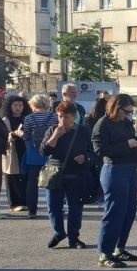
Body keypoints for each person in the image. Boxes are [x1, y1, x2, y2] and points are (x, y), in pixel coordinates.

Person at [92, 94, 137, 268]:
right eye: (127, 111)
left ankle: (119, 248)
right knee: (114, 212)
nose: (129, 115)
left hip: (130, 168)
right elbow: (99, 151)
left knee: (129, 211)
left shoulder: (125, 122)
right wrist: (127, 145)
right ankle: (104, 253)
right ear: (116, 108)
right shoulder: (103, 124)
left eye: (131, 112)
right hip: (114, 170)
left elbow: (130, 140)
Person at [41, 102, 91, 250]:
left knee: (75, 207)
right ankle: (59, 232)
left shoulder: (83, 131)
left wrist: (85, 157)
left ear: (74, 117)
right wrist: (55, 136)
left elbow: (94, 151)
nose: (62, 120)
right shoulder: (52, 130)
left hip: (76, 173)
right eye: (59, 116)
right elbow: (43, 151)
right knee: (53, 206)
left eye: (66, 117)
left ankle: (74, 238)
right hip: (55, 173)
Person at [19, 95, 59, 219]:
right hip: (50, 153)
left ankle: (32, 210)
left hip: (33, 154)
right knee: (52, 181)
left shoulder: (29, 118)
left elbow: (25, 137)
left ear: (33, 105)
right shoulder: (54, 117)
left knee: (32, 183)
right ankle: (55, 207)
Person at [0, 95, 30, 212]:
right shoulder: (5, 120)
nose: (18, 108)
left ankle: (26, 201)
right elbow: (3, 136)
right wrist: (14, 134)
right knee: (12, 177)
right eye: (15, 105)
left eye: (20, 105)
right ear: (9, 106)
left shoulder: (26, 118)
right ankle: (14, 204)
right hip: (11, 152)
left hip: (25, 151)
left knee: (26, 178)